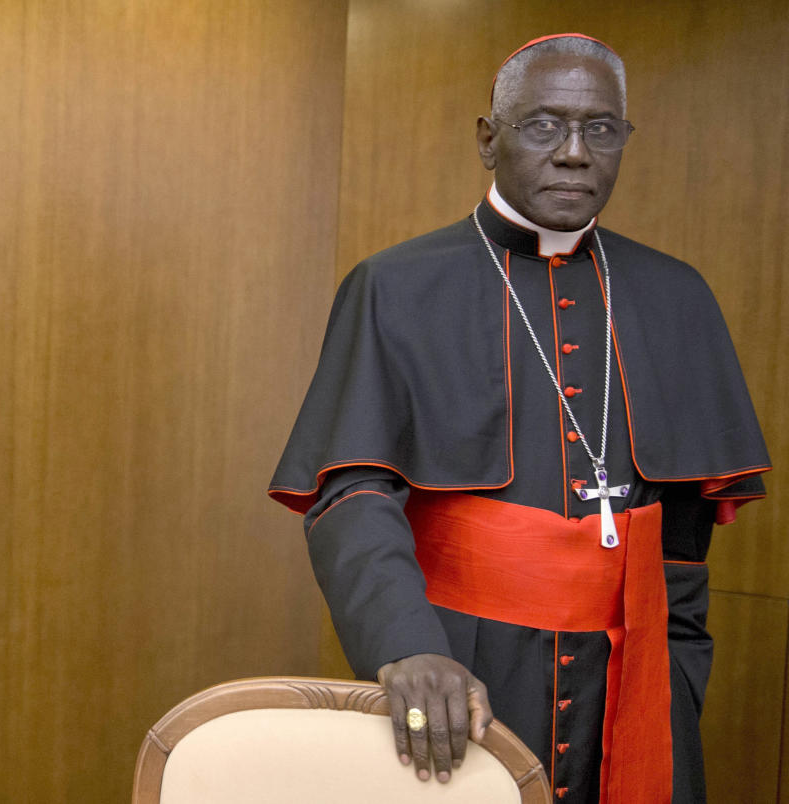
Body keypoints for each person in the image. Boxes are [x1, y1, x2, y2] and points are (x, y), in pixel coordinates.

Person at [269, 33, 769, 804]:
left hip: (631, 681)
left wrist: (678, 680)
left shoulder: (678, 297)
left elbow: (685, 540)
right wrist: (407, 648)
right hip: (459, 669)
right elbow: (353, 494)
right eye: (543, 125)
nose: (574, 152)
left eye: (600, 129)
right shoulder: (395, 287)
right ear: (488, 138)